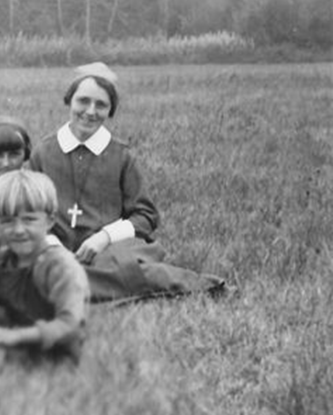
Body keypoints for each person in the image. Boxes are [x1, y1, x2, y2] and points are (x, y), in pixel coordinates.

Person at [29, 62, 223, 302]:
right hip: (55, 249)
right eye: (83, 101)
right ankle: (105, 286)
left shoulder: (121, 155)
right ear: (69, 100)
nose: (90, 111)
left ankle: (199, 286)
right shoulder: (43, 152)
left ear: (110, 111)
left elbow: (145, 216)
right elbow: (30, 211)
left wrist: (104, 237)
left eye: (101, 105)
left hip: (109, 252)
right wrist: (53, 246)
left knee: (118, 266)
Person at [0, 171, 88, 384]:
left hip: (54, 353)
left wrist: (17, 336)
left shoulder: (60, 266)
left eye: (29, 220)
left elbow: (71, 325)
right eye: (8, 221)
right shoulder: (0, 260)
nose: (18, 230)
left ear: (49, 221)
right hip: (12, 336)